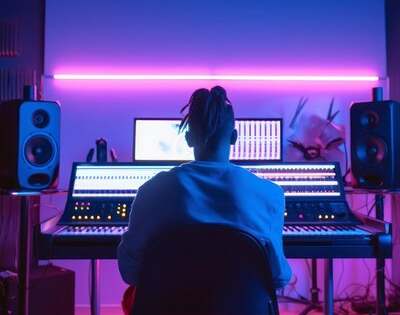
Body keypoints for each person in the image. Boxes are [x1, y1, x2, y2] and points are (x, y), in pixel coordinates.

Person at [117, 85, 291, 314]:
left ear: (188, 138)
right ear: (234, 138)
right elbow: (278, 277)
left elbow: (130, 271)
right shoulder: (270, 193)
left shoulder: (152, 190)